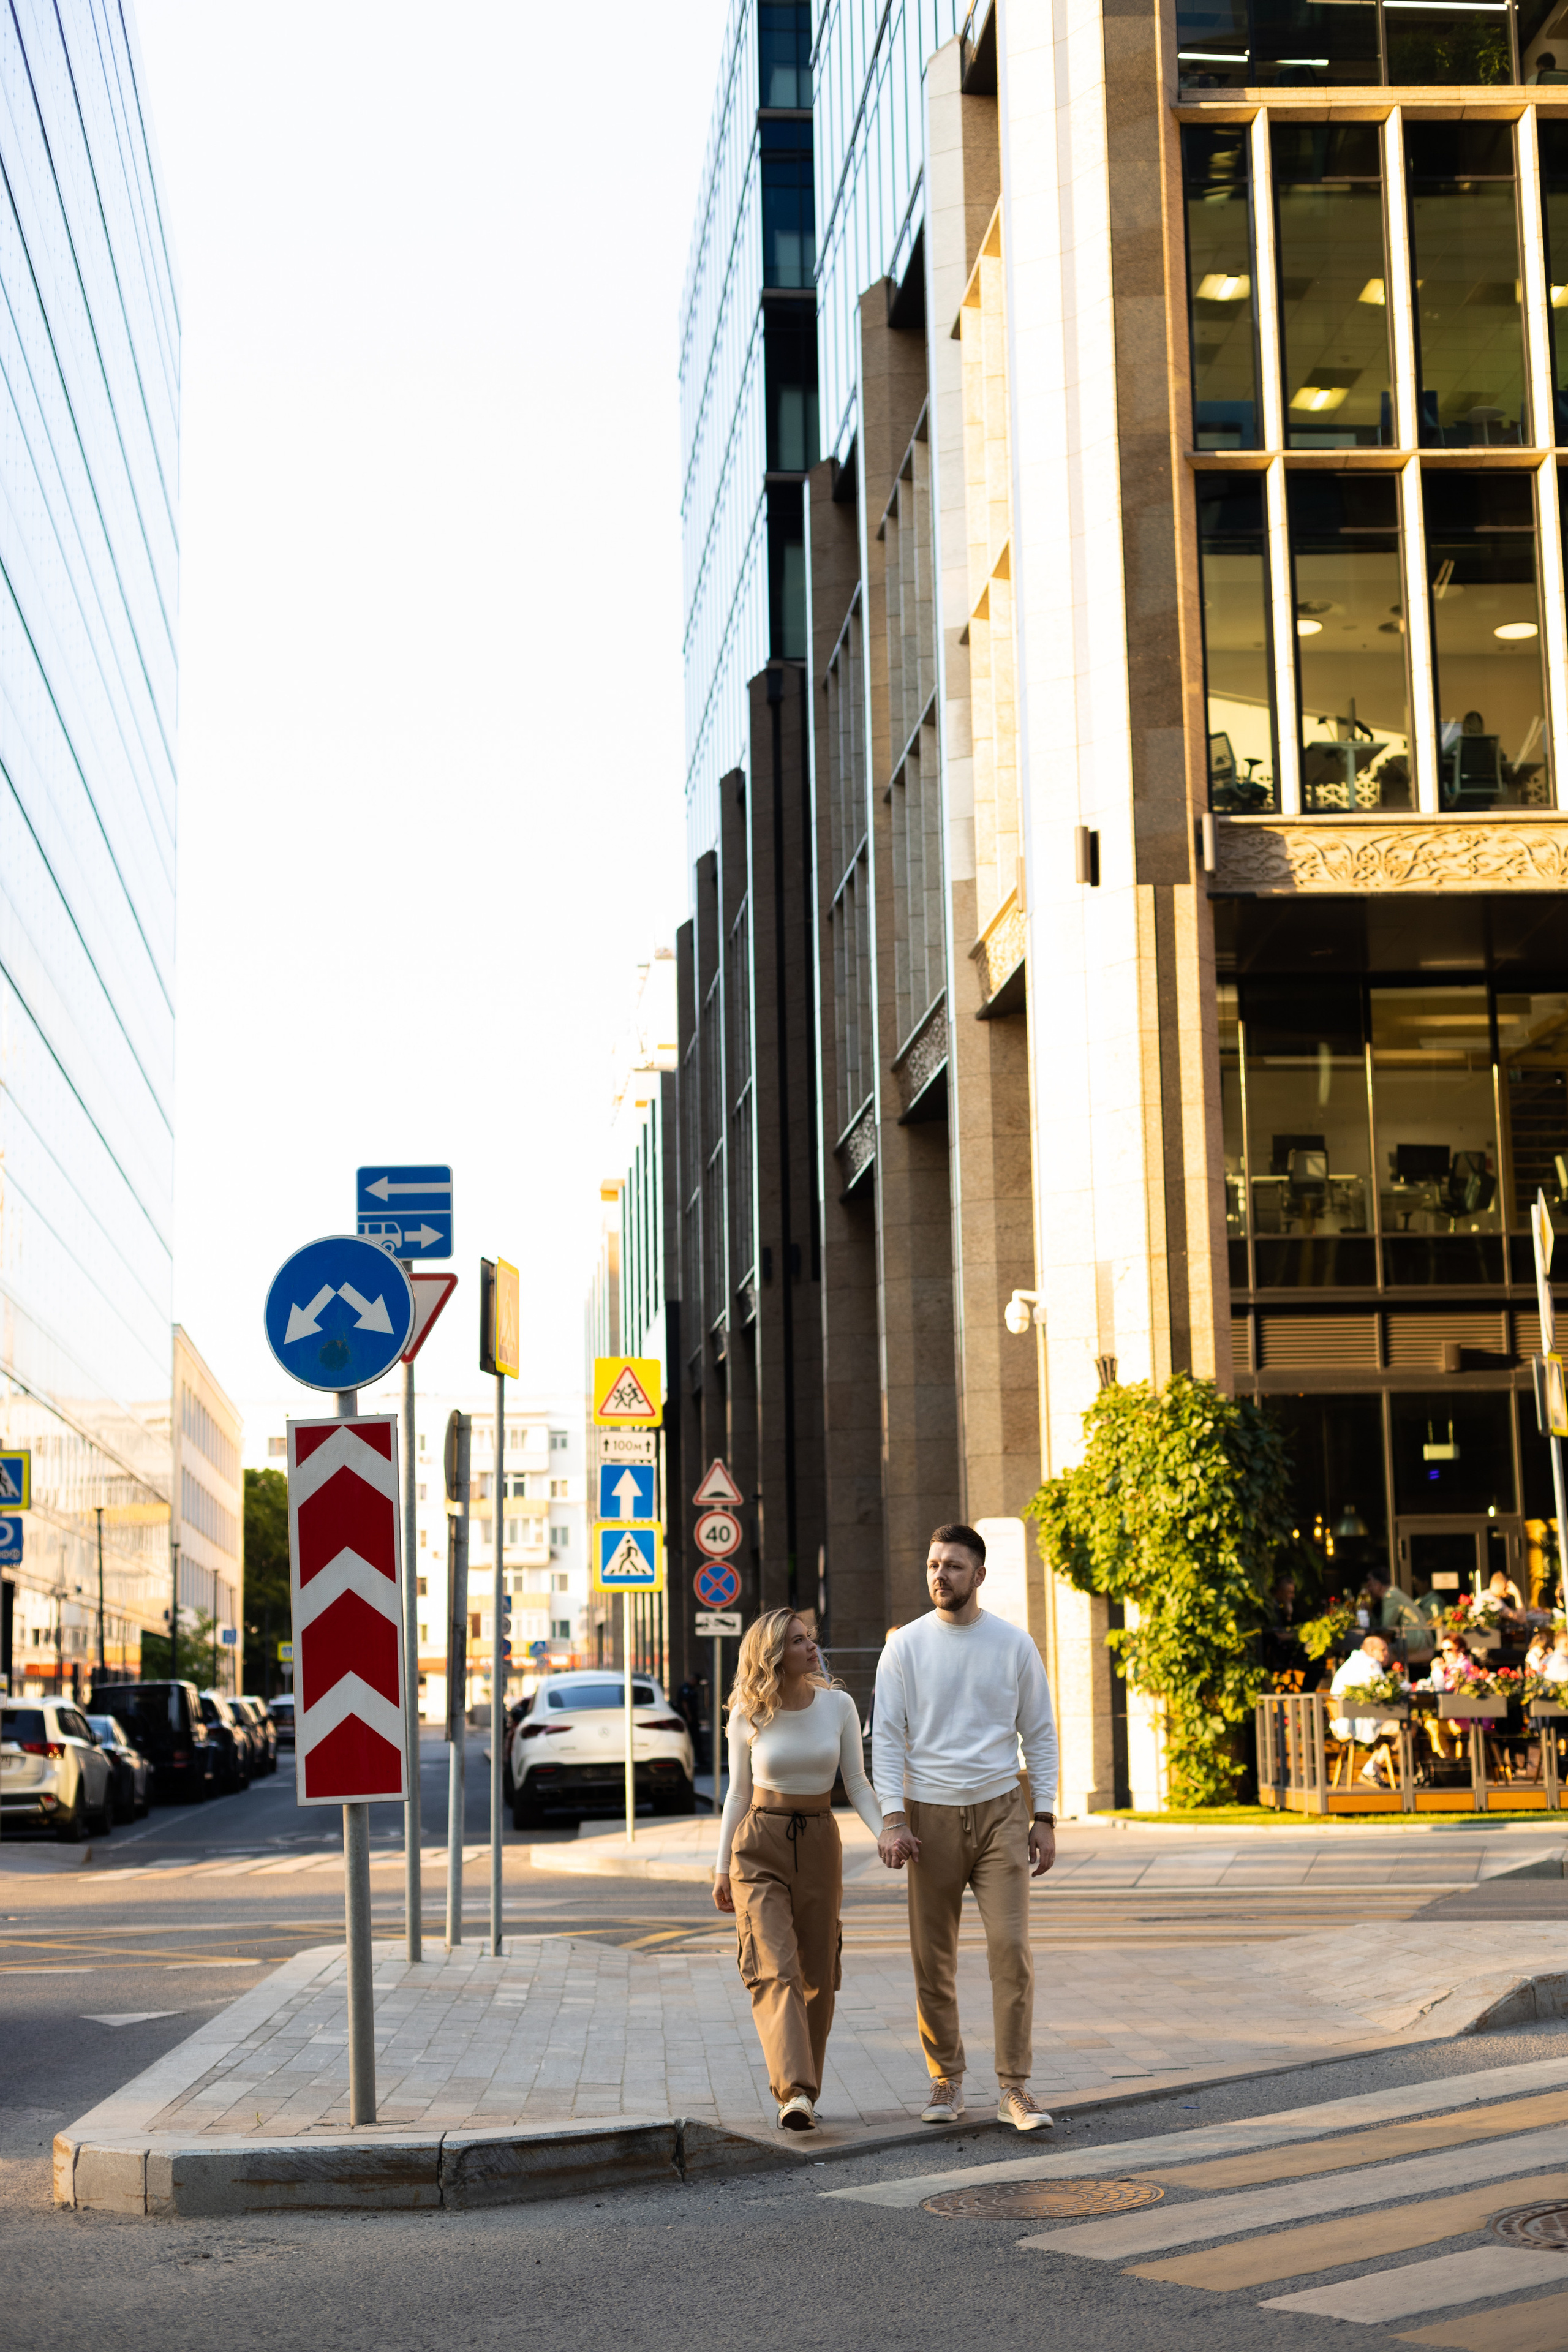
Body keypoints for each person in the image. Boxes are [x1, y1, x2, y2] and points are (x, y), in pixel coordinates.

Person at [872, 1523, 1058, 2135]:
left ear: (978, 1575)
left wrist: (1046, 1816)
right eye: (932, 1565)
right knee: (934, 1958)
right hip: (927, 1816)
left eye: (952, 1566)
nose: (939, 1576)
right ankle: (945, 2078)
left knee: (1011, 1951)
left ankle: (1015, 2088)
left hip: (1002, 1810)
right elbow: (889, 1739)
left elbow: (1040, 1734)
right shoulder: (905, 1647)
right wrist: (892, 1818)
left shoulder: (1011, 1644)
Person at [712, 1610, 884, 2134]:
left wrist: (887, 1833)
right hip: (758, 1843)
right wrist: (722, 1867)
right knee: (773, 1966)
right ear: (772, 1655)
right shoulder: (748, 1711)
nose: (812, 1648)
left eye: (811, 1639)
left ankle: (806, 2090)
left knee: (818, 1974)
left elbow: (856, 1782)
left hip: (819, 1840)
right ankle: (794, 2091)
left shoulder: (839, 1705)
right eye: (797, 1641)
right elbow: (738, 1792)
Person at [1329, 1634, 1402, 1785]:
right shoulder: (1370, 1663)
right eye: (1383, 1650)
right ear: (1371, 1650)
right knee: (1406, 1727)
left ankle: (1372, 1769)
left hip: (1342, 1723)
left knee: (1396, 1729)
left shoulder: (1353, 1662)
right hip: (1356, 1723)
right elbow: (1385, 1691)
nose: (1387, 1654)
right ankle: (1371, 1769)